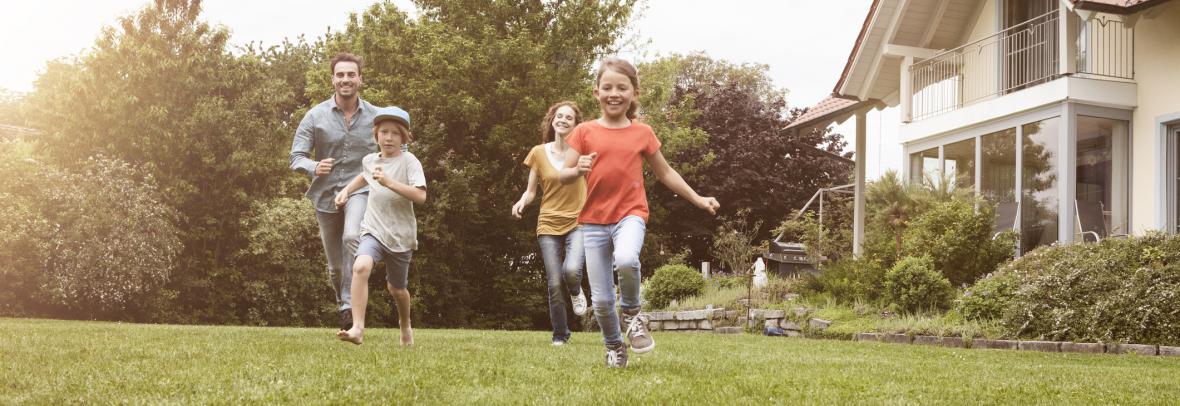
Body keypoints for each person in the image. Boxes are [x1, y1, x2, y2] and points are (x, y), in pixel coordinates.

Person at [559, 57, 720, 368]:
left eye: (622, 87)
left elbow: (666, 172)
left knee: (627, 259)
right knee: (603, 302)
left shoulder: (642, 133)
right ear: (596, 92)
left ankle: (633, 313)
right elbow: (563, 174)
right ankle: (614, 346)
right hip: (592, 223)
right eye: (607, 87)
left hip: (630, 215)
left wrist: (698, 199)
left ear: (634, 93)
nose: (614, 93)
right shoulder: (583, 131)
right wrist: (577, 168)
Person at [289, 52, 376, 331]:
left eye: (351, 74)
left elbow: (399, 147)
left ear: (360, 79)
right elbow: (296, 157)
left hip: (359, 191)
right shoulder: (315, 116)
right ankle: (343, 303)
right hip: (325, 195)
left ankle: (350, 306)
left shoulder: (376, 117)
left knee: (352, 236)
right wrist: (315, 166)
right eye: (340, 75)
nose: (346, 79)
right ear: (333, 79)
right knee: (335, 266)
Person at [336, 106, 427, 346]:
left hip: (400, 235)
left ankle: (405, 324)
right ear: (376, 135)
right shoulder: (370, 160)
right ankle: (357, 328)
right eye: (384, 132)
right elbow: (364, 175)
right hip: (373, 229)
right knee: (361, 266)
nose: (388, 138)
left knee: (397, 289)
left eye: (395, 133)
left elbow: (420, 196)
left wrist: (388, 182)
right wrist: (346, 191)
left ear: (403, 137)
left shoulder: (409, 162)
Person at [511, 101, 589, 346]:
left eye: (569, 118)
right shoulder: (538, 152)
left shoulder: (582, 154)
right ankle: (560, 335)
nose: (563, 120)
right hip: (548, 223)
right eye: (559, 116)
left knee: (571, 271)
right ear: (552, 120)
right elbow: (531, 191)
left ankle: (576, 291)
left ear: (576, 125)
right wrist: (522, 202)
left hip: (578, 220)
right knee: (554, 282)